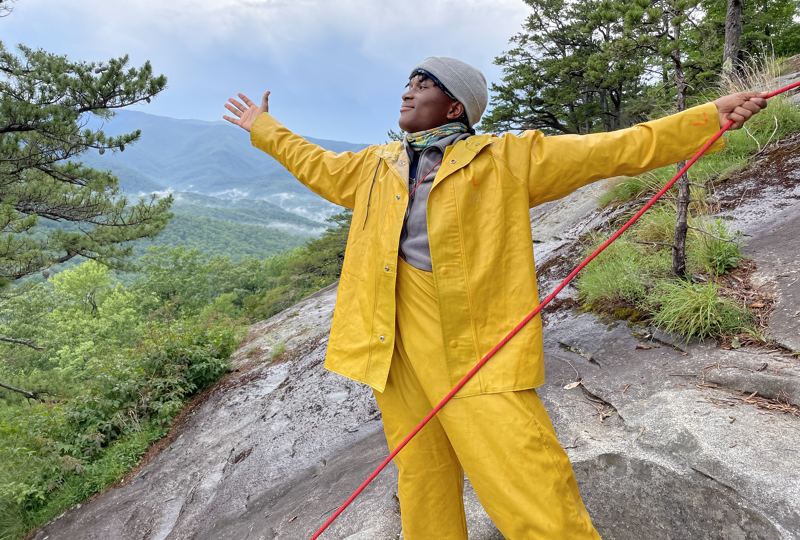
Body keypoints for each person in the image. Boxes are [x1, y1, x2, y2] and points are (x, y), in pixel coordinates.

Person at [223, 56, 767, 539]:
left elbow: (613, 149)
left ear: (455, 106)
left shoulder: (507, 158)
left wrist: (708, 117)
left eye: (423, 82)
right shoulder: (377, 165)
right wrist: (264, 127)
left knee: (527, 483)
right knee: (423, 483)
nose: (408, 90)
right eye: (408, 80)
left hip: (473, 350)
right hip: (391, 351)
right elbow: (318, 165)